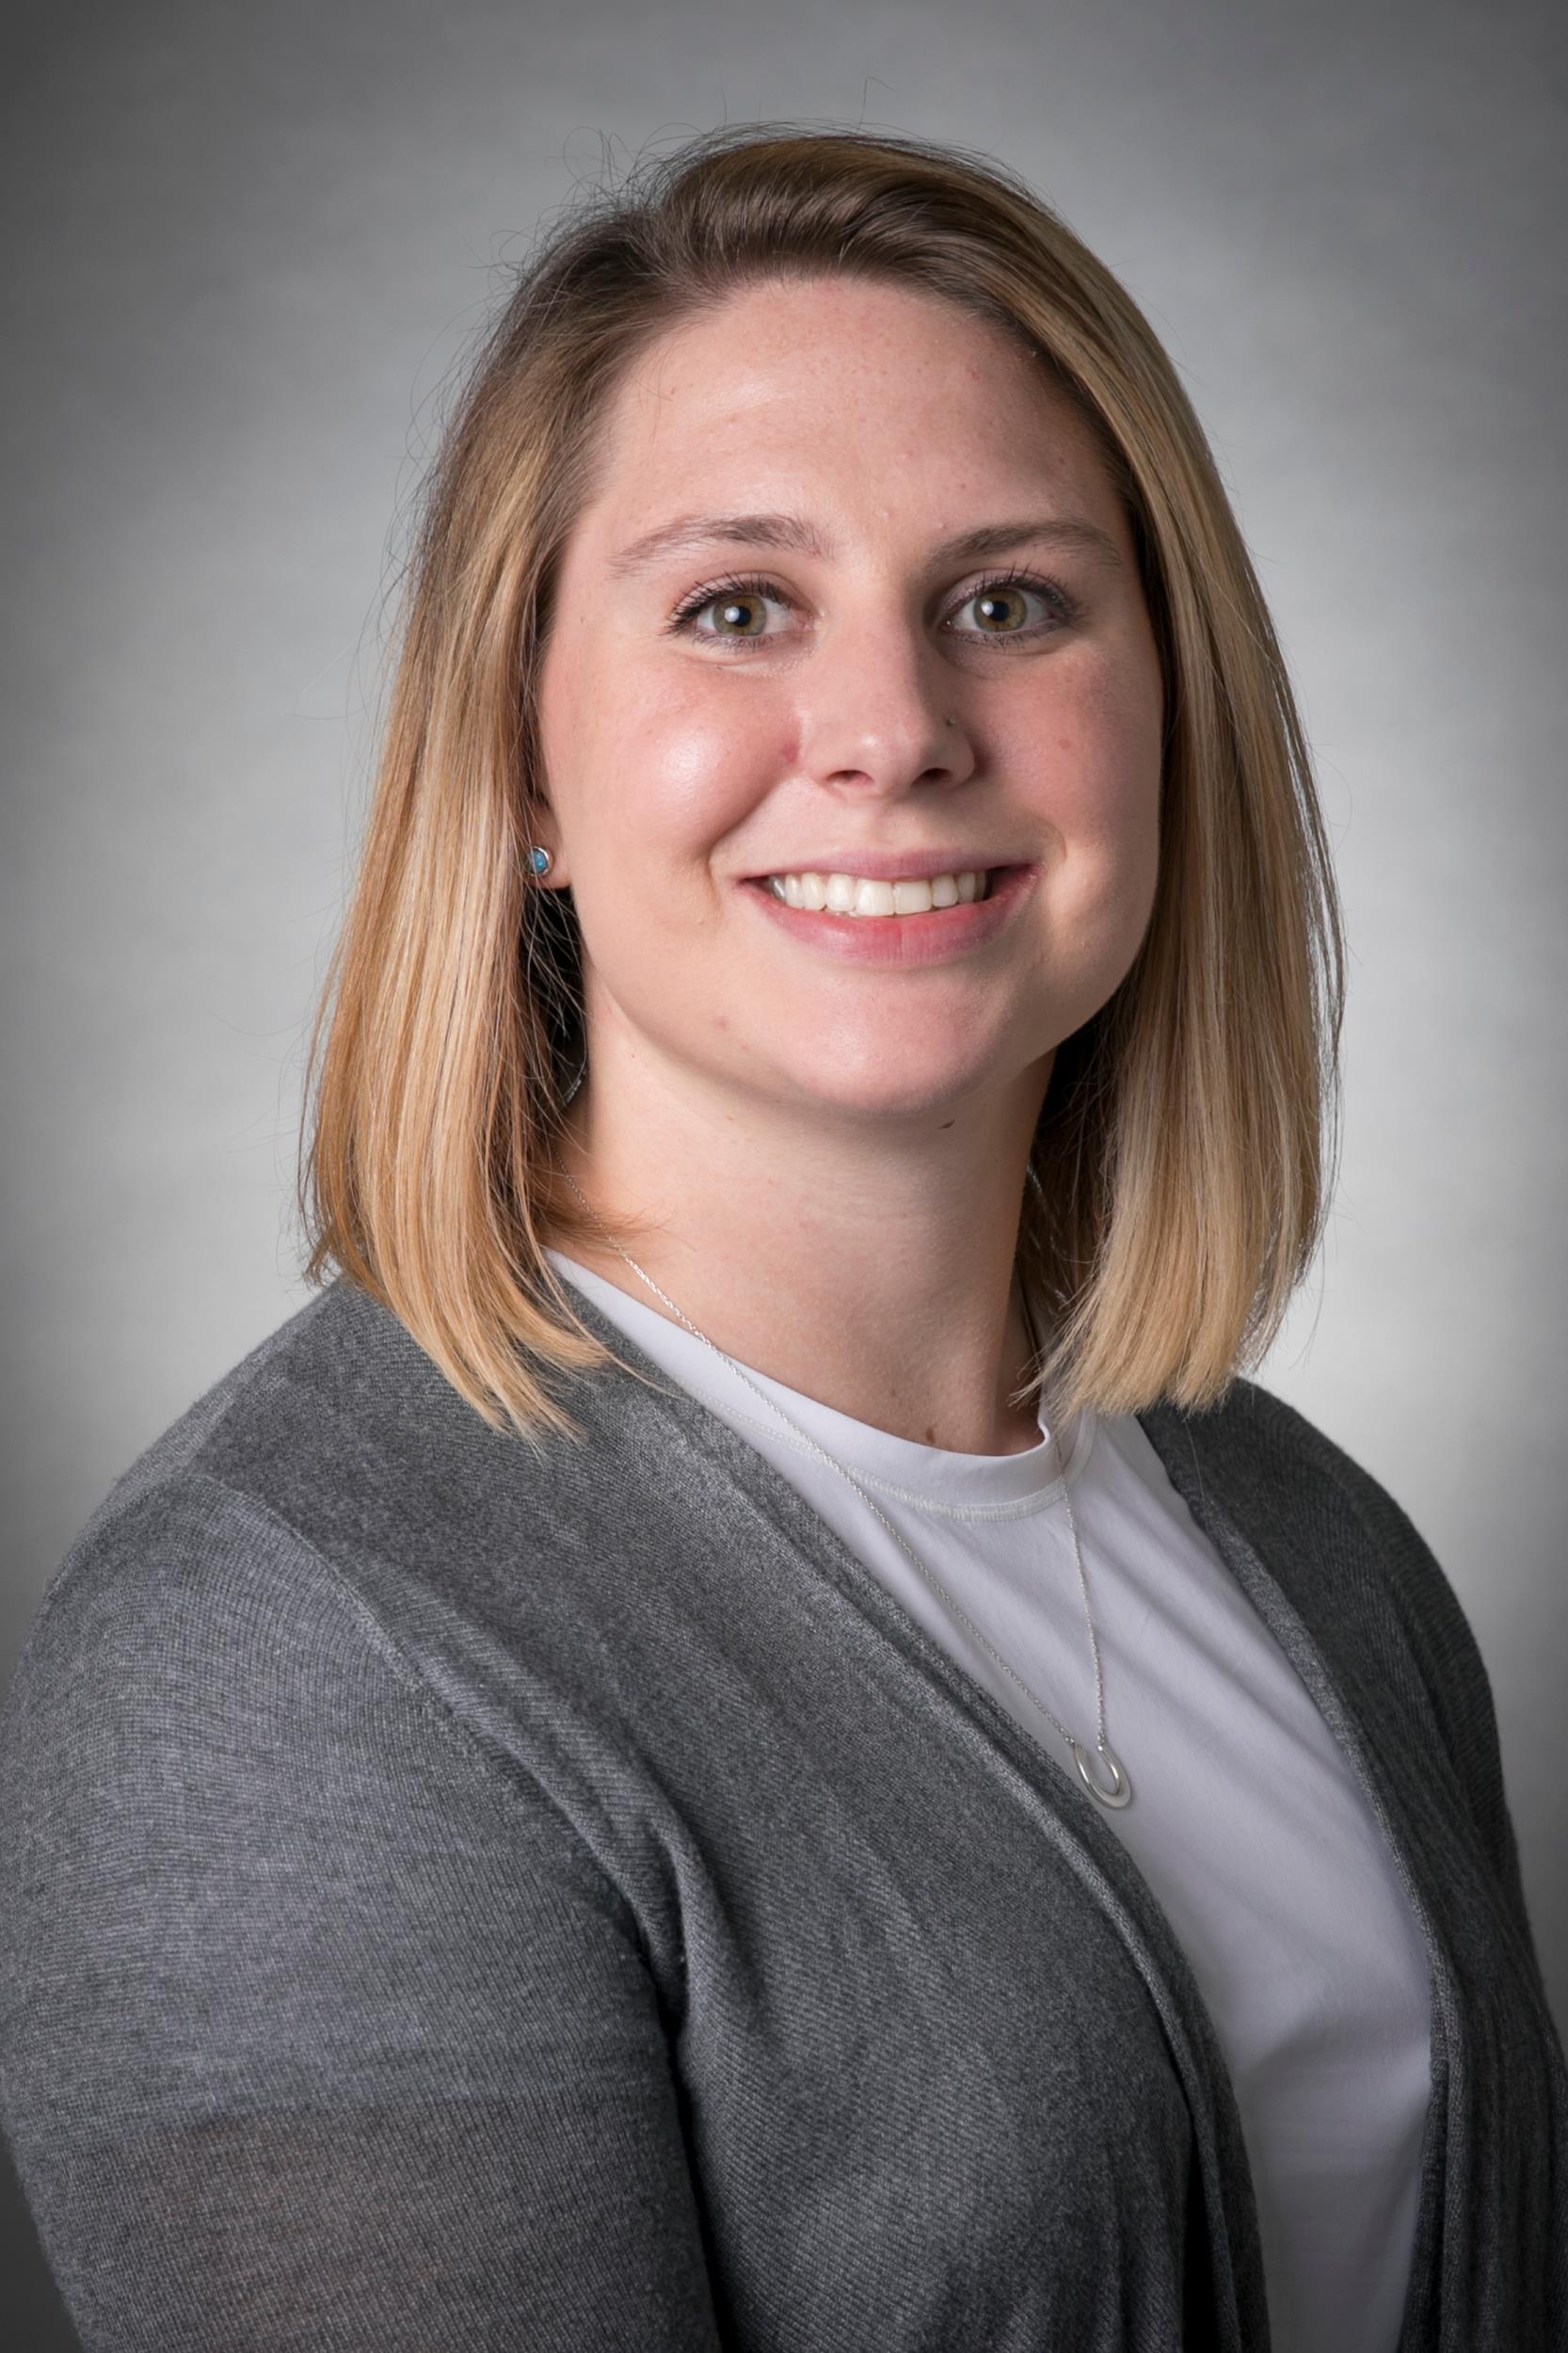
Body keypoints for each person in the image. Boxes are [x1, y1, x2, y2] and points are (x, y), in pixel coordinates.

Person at [0, 120, 1562, 2353]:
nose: (894, 731)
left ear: (1164, 717)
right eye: (738, 607)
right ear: (523, 765)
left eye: (1006, 601)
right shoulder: (282, 1659)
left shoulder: (1317, 1546)